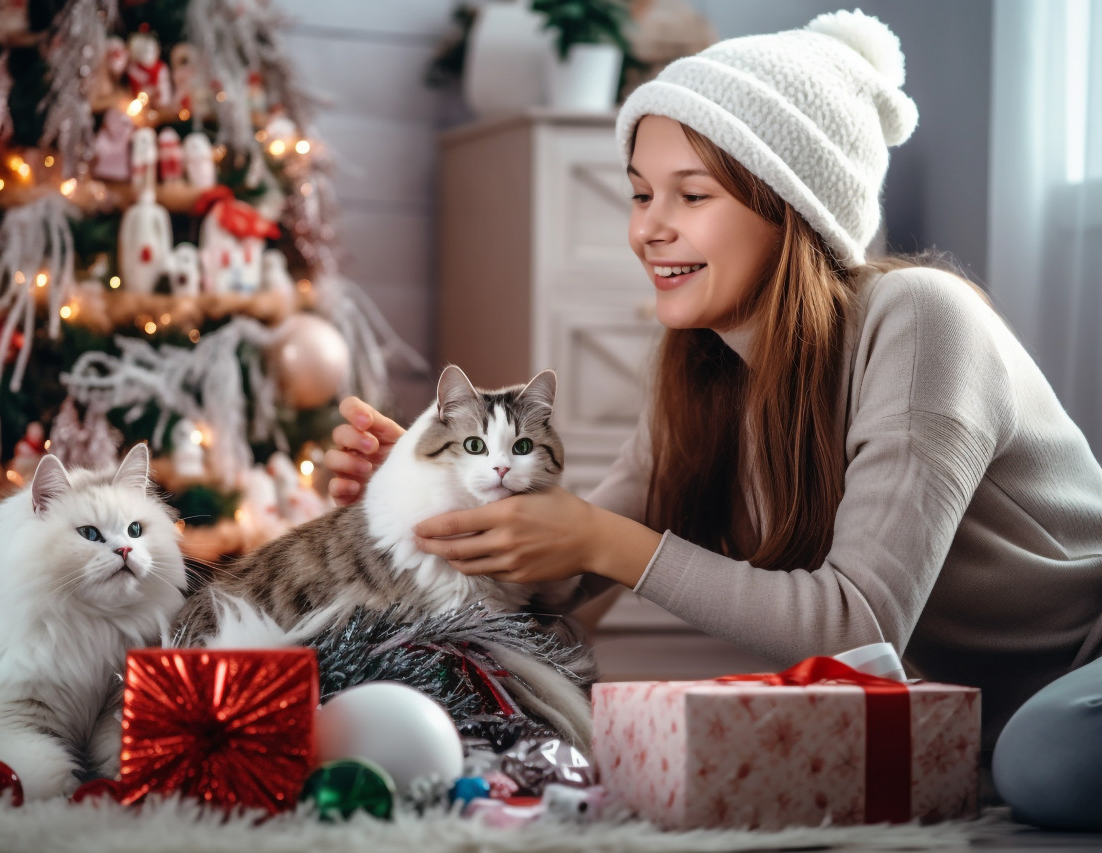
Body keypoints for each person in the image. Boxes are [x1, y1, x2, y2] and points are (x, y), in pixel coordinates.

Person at [326, 10, 1102, 826]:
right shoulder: (700, 371)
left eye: (691, 194)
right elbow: (558, 585)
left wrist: (603, 539)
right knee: (1023, 756)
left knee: (1040, 759)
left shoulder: (921, 320)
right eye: (639, 193)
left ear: (792, 207)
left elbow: (859, 627)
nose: (646, 228)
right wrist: (426, 501)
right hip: (999, 712)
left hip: (1084, 662)